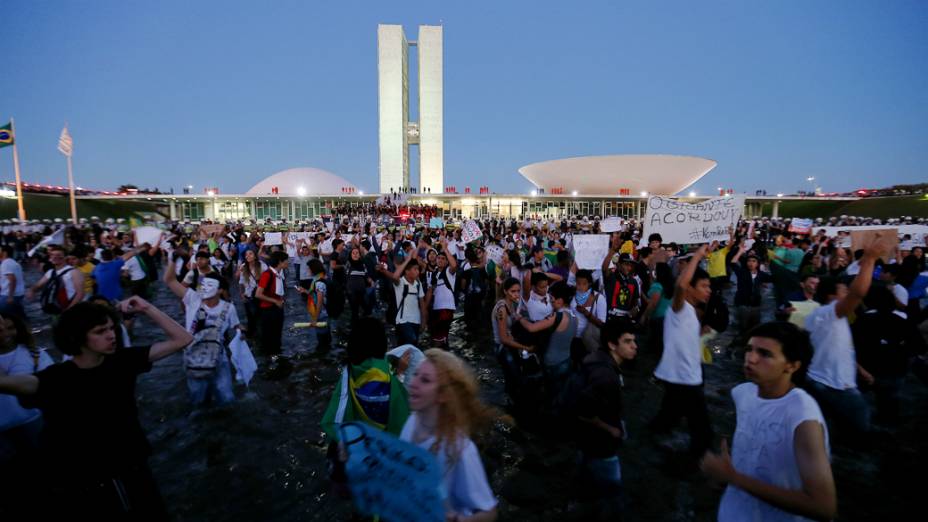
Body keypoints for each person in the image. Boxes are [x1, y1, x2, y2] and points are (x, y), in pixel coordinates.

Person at [0, 298, 192, 518]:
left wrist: (147, 308)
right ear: (78, 337)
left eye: (111, 328)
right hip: (86, 474)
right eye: (100, 331)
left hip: (132, 461)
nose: (111, 335)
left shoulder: (122, 361)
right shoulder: (55, 379)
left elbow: (183, 339)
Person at [701, 322, 837, 522]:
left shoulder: (802, 417)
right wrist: (727, 475)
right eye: (749, 349)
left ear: (792, 365)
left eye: (765, 354)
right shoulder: (744, 393)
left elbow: (823, 506)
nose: (751, 359)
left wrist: (734, 478)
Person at [401, 349, 499, 521]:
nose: (413, 383)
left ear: (443, 395)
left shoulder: (460, 449)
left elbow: (489, 513)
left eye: (425, 380)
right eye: (415, 374)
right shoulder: (412, 420)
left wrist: (460, 520)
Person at [804, 238, 884, 436]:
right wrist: (870, 259)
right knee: (860, 433)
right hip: (834, 386)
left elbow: (839, 349)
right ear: (831, 296)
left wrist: (860, 370)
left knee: (829, 431)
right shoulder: (827, 314)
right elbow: (858, 293)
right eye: (843, 290)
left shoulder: (829, 317)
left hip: (830, 382)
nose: (847, 293)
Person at [650, 244, 714, 460]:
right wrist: (697, 256)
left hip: (679, 375)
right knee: (703, 432)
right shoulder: (679, 308)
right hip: (685, 378)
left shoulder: (692, 312)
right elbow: (680, 284)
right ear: (690, 288)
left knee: (667, 418)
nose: (709, 290)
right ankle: (693, 466)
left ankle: (651, 442)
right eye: (704, 286)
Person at [164, 264, 240, 407]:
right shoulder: (193, 298)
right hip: (193, 357)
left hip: (219, 357)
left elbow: (236, 326)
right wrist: (172, 258)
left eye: (209, 285)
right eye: (203, 284)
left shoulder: (229, 308)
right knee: (197, 399)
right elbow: (169, 280)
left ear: (220, 290)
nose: (204, 287)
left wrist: (241, 332)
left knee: (227, 397)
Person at [517, 282, 577, 402]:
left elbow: (531, 328)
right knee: (562, 396)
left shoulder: (556, 316)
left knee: (551, 397)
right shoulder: (574, 317)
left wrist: (519, 318)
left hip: (552, 364)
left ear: (560, 300)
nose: (550, 302)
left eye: (552, 299)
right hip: (567, 361)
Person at [492, 277, 535, 403]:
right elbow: (503, 339)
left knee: (512, 379)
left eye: (518, 291)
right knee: (515, 380)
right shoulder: (502, 309)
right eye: (513, 291)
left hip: (509, 346)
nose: (516, 294)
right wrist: (526, 348)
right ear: (505, 291)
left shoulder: (510, 304)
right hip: (503, 348)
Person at [26, 244, 85, 314]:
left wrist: (69, 310)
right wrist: (32, 290)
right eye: (52, 255)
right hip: (56, 308)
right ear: (50, 258)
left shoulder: (74, 272)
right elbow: (38, 285)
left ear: (65, 257)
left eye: (59, 255)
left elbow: (80, 293)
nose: (55, 257)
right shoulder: (50, 272)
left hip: (70, 309)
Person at [388, 249, 428, 346]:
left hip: (416, 320)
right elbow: (394, 276)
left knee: (411, 347)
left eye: (418, 269)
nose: (418, 272)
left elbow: (422, 304)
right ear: (407, 271)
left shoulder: (418, 284)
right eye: (415, 269)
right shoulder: (400, 282)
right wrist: (408, 259)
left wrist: (423, 321)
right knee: (411, 341)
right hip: (403, 321)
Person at [255, 251, 289, 356]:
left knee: (277, 334)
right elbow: (258, 294)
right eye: (286, 260)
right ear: (280, 262)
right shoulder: (267, 274)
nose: (288, 262)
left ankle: (276, 353)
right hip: (268, 311)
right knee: (269, 335)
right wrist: (275, 301)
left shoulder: (278, 274)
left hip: (277, 308)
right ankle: (270, 356)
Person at [426, 238, 458, 347]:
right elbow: (430, 291)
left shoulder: (449, 272)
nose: (440, 260)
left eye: (443, 259)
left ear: (446, 261)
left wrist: (445, 249)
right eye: (438, 258)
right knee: (440, 335)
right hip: (436, 308)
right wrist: (425, 309)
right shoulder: (434, 274)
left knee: (438, 337)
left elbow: (454, 265)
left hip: (446, 308)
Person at [235, 249, 266, 338]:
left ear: (255, 256)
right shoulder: (243, 266)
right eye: (246, 254)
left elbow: (268, 278)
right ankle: (252, 334)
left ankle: (261, 334)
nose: (248, 256)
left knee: (259, 315)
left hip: (259, 295)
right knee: (250, 316)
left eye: (250, 254)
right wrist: (242, 294)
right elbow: (240, 281)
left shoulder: (261, 265)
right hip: (248, 295)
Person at [0, 245, 26, 320]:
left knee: (5, 316)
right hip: (18, 294)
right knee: (19, 317)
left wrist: (10, 296)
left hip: (8, 295)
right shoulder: (14, 263)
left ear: (4, 253)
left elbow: (13, 279)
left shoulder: (6, 264)